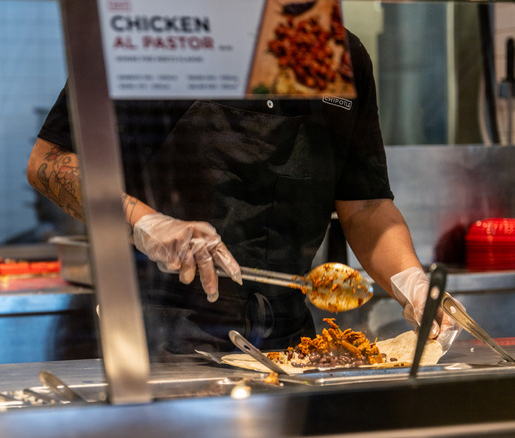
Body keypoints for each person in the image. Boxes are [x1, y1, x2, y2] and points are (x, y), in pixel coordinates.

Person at [27, 30, 456, 361]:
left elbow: (365, 205)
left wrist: (410, 281)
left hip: (292, 345)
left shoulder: (339, 53)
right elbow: (50, 160)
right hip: (161, 338)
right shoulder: (156, 37)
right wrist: (142, 221)